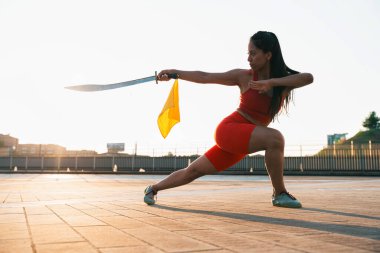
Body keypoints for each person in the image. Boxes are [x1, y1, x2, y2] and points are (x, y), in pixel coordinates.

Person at [144, 31, 313, 208]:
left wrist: (271, 83)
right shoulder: (244, 76)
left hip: (245, 137)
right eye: (248, 53)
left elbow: (308, 78)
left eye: (253, 53)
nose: (249, 58)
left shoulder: (284, 82)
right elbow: (205, 77)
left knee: (193, 171)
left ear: (268, 55)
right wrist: (175, 73)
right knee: (275, 138)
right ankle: (279, 194)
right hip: (230, 129)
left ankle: (153, 189)